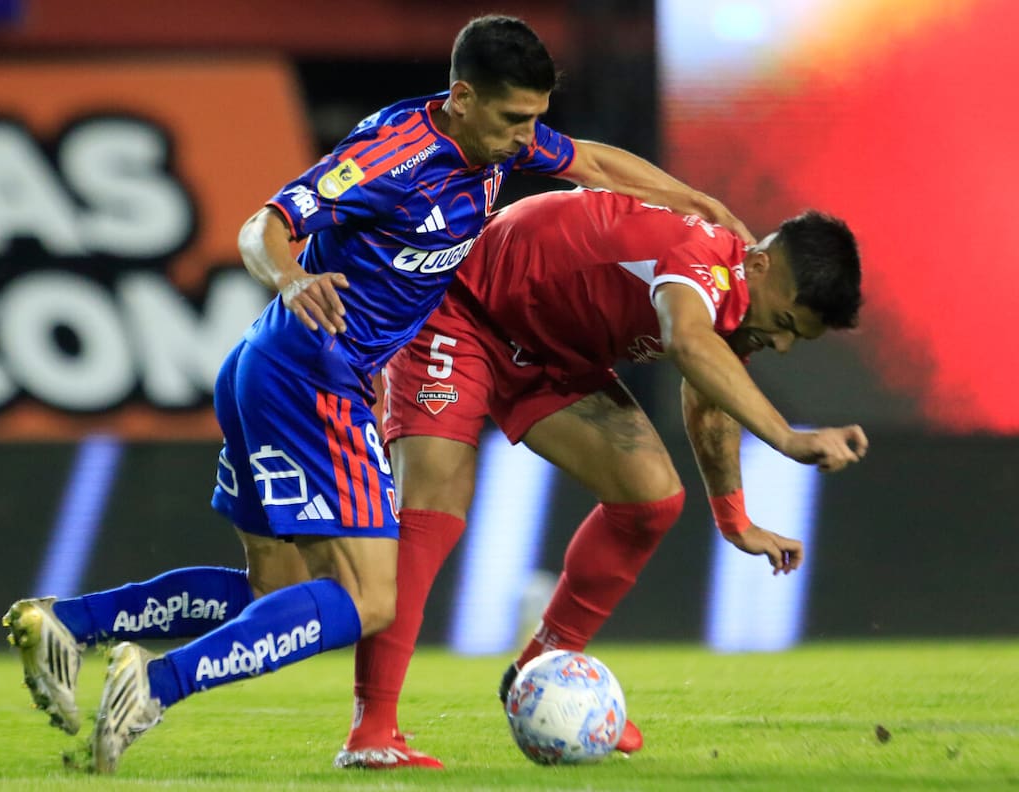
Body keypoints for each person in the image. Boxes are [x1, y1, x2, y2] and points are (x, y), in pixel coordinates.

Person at [0, 16, 751, 774]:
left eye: (536, 118)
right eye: (515, 119)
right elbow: (264, 224)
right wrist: (292, 278)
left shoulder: (497, 140)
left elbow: (590, 162)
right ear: (462, 97)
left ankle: (69, 622)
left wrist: (696, 202)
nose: (528, 138)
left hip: (266, 368)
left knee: (280, 587)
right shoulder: (393, 155)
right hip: (314, 378)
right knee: (368, 601)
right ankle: (156, 684)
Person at [334, 186, 866, 769]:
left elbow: (710, 401)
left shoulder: (738, 300)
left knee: (651, 499)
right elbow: (688, 344)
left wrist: (733, 518)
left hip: (548, 351)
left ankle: (540, 671)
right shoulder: (699, 259)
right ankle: (372, 730)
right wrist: (788, 438)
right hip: (463, 306)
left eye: (797, 337)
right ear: (759, 264)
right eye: (785, 323)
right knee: (435, 506)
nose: (783, 344)